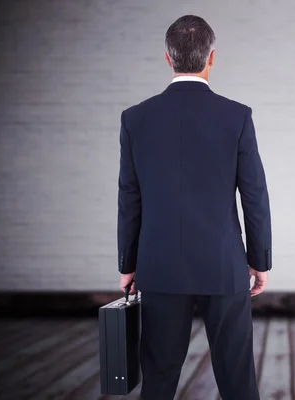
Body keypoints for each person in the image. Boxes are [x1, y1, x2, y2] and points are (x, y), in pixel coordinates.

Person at [116, 14, 272, 400]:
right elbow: (253, 194)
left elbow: (129, 196)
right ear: (211, 58)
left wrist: (128, 264)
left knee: (159, 378)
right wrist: (260, 260)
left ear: (168, 59)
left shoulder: (135, 119)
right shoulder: (237, 116)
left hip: (160, 265)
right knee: (237, 380)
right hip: (223, 264)